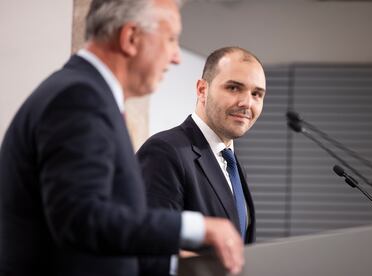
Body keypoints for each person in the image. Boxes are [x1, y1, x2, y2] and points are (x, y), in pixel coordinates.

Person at [0, 1, 244, 275]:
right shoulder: (79, 98)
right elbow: (82, 219)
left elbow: (103, 241)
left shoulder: (85, 94)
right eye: (171, 39)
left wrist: (183, 266)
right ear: (130, 38)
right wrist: (197, 227)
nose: (176, 56)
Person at [136, 46, 266, 273]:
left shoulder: (233, 164)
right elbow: (149, 247)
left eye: (257, 94)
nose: (247, 103)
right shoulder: (165, 151)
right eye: (234, 88)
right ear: (202, 89)